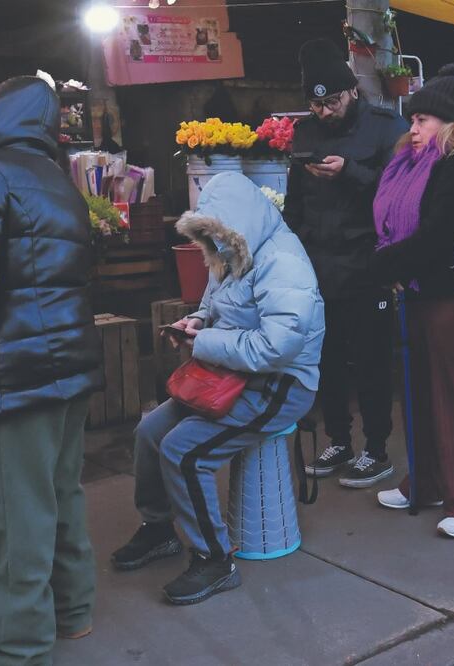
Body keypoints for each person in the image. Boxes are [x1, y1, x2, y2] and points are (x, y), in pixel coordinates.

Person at [0, 76, 104, 666]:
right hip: (70, 362)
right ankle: (74, 610)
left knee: (18, 508)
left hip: (17, 367)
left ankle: (13, 642)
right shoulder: (58, 178)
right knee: (61, 493)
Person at [112, 172, 324, 602]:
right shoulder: (230, 248)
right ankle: (159, 528)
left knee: (183, 452)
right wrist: (199, 320)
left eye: (214, 235)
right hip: (231, 374)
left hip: (281, 384)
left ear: (234, 223)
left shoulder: (283, 261)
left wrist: (203, 341)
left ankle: (214, 560)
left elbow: (275, 348)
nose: (211, 247)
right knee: (150, 433)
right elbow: (216, 303)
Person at [370, 63, 454, 537]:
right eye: (412, 120)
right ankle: (427, 481)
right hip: (420, 292)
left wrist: (383, 267)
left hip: (453, 296)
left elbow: (439, 236)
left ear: (448, 121)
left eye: (422, 120)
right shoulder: (415, 162)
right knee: (420, 394)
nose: (413, 128)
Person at [284, 39, 408, 489]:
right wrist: (287, 249)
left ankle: (377, 449)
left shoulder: (385, 127)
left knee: (372, 362)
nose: (323, 111)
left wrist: (350, 173)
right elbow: (295, 204)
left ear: (352, 91)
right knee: (327, 360)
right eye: (315, 104)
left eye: (331, 101)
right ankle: (338, 440)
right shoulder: (305, 133)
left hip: (367, 265)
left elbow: (400, 198)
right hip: (318, 266)